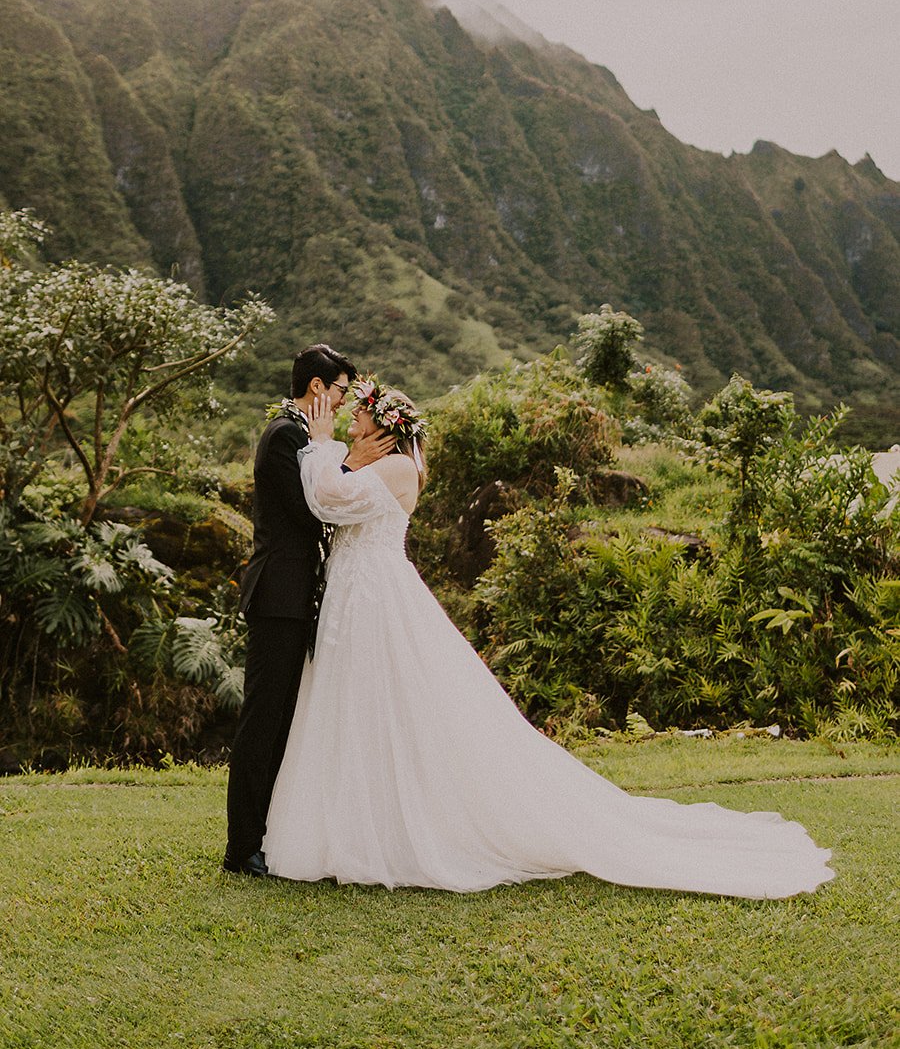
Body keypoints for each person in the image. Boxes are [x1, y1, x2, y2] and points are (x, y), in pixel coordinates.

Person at [263, 379, 835, 899]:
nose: (351, 422)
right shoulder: (373, 461)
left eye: (360, 416)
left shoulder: (394, 470)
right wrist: (340, 454)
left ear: (384, 427)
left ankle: (395, 830)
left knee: (394, 706)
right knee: (359, 709)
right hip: (354, 596)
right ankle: (357, 823)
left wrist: (319, 444)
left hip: (375, 598)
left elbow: (327, 501)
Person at [223, 344, 392, 876]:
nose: (344, 401)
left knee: (284, 722)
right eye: (342, 390)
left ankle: (269, 833)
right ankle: (241, 845)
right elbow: (312, 507)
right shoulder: (284, 436)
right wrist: (350, 463)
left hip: (300, 597)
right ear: (317, 387)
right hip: (277, 596)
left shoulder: (304, 436)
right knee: (262, 719)